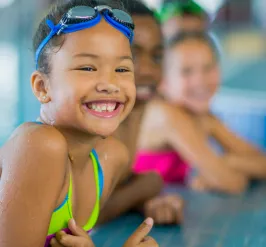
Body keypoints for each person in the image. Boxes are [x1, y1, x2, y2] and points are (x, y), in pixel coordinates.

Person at [0, 0, 158, 247]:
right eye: (87, 67)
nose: (110, 83)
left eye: (122, 69)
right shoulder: (40, 146)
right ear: (42, 87)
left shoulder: (111, 158)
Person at [134, 31, 266, 194]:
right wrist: (220, 169)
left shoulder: (202, 116)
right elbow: (231, 183)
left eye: (208, 68)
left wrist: (228, 161)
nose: (199, 80)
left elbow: (262, 162)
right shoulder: (165, 115)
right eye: (186, 71)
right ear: (163, 82)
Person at [98, 0, 184, 226]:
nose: (148, 70)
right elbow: (81, 216)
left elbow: (116, 184)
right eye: (132, 56)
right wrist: (147, 186)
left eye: (156, 56)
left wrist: (146, 199)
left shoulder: (134, 114)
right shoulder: (95, 126)